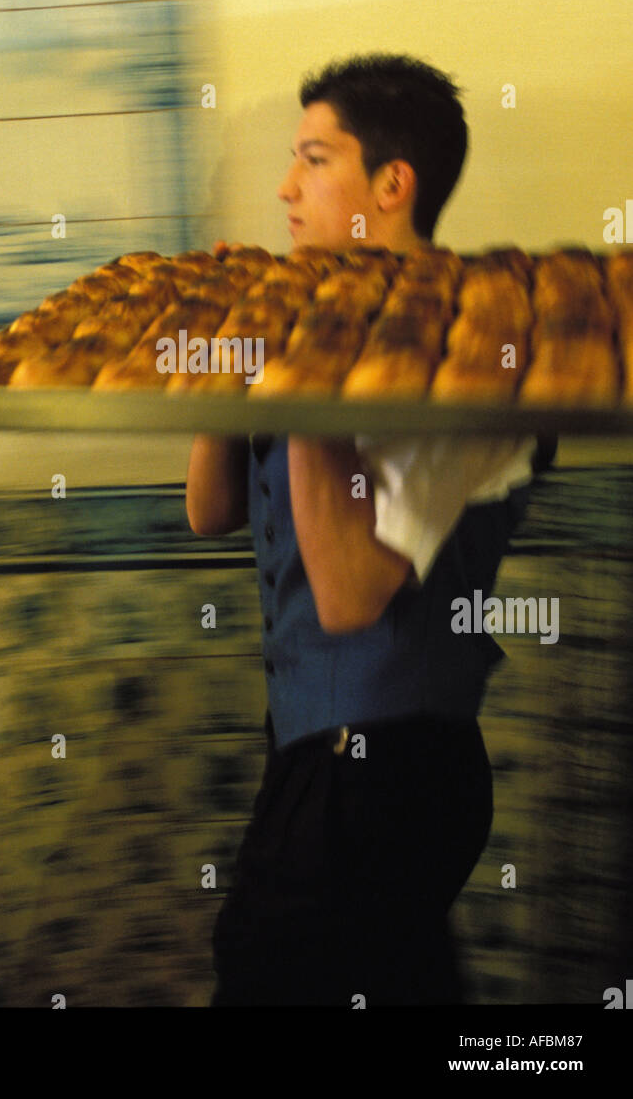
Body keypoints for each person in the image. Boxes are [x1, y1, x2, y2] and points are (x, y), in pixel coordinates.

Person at [186, 53, 554, 1007]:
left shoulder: (472, 356)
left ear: (393, 184)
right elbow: (211, 509)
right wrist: (237, 347)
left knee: (266, 975)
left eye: (314, 159)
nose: (283, 187)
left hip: (389, 766)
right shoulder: (323, 318)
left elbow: (350, 593)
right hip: (317, 748)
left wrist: (305, 368)